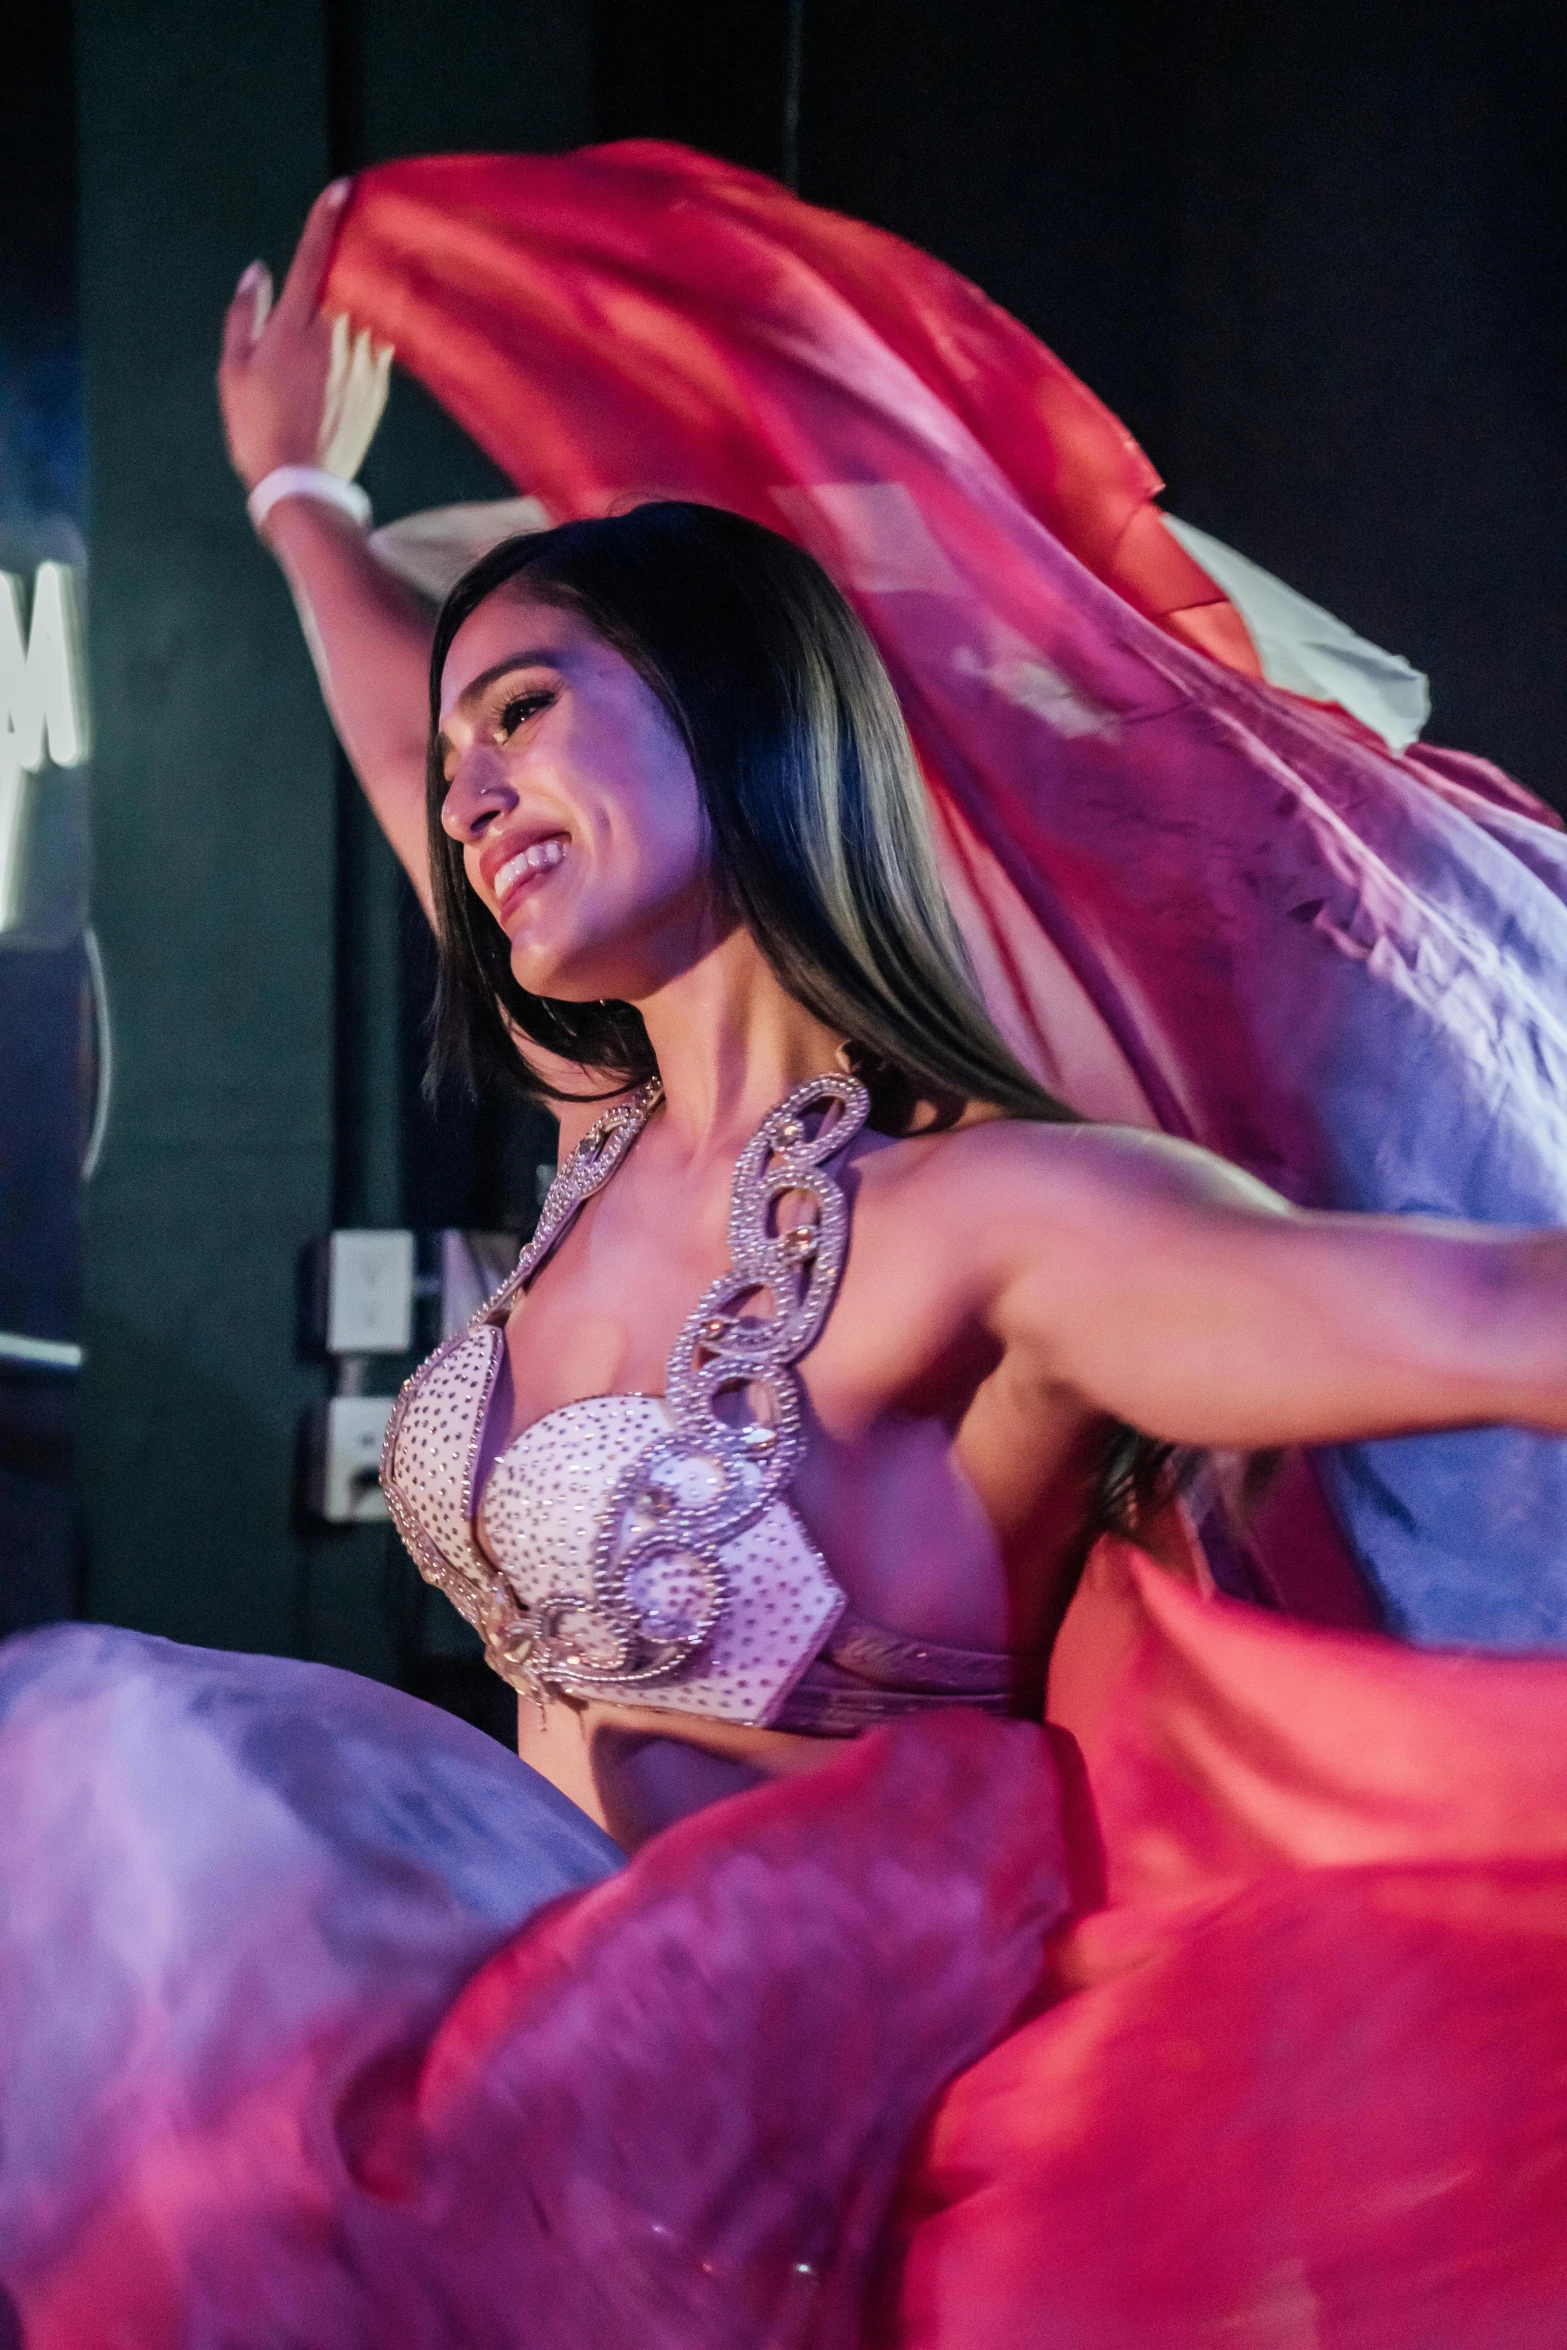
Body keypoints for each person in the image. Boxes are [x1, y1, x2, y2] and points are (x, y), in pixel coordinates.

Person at [4, 169, 1567, 2349]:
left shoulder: (989, 1223)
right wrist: (290, 491)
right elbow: (390, 719)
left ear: (743, 721)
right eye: (462, 756)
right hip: (519, 2070)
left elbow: (1491, 1313)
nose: (464, 786)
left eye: (529, 711)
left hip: (800, 2161)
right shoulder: (599, 1143)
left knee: (103, 1764)